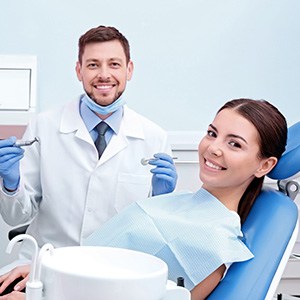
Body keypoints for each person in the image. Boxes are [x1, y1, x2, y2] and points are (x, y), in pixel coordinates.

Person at [0, 98, 287, 300]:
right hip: (58, 276)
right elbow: (108, 257)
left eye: (234, 143)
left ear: (264, 165)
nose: (213, 148)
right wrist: (48, 268)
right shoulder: (183, 200)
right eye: (212, 133)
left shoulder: (217, 244)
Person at [0, 25, 177, 272]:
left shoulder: (154, 137)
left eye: (114, 64)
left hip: (119, 271)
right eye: (93, 65)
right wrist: (11, 184)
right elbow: (16, 217)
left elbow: (158, 235)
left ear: (129, 70)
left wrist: (162, 202)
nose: (104, 75)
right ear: (79, 71)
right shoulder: (44, 127)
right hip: (45, 266)